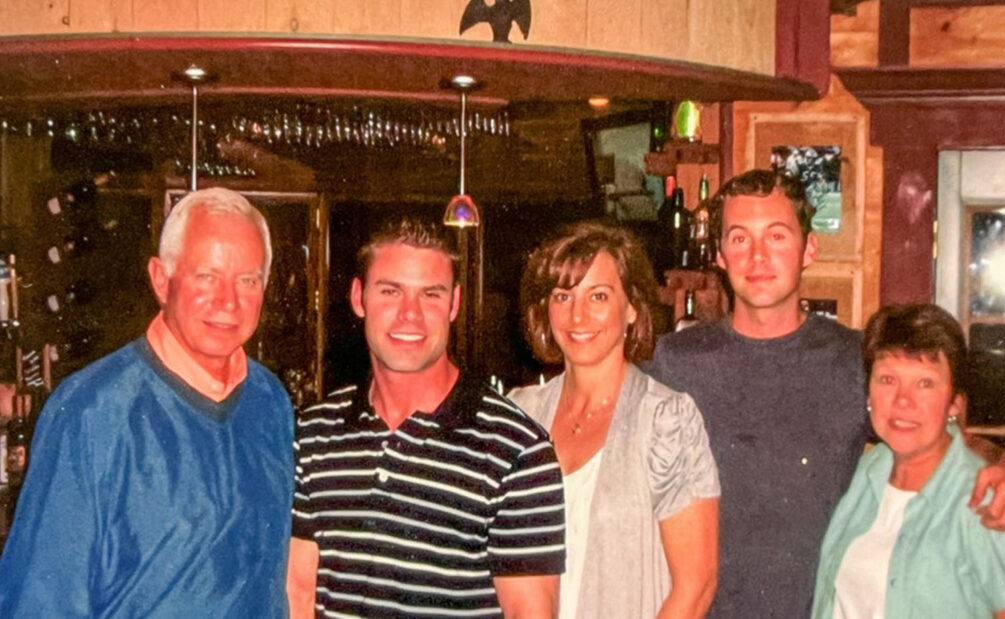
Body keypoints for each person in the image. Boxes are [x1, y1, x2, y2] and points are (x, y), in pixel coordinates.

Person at [646, 169, 1005, 617]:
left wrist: (1003, 468)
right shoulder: (677, 360)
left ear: (809, 248)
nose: (758, 256)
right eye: (740, 238)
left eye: (777, 236)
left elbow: (933, 441)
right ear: (721, 256)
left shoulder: (855, 359)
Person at [0, 188, 295, 616]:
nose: (228, 301)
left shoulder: (271, 403)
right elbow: (39, 601)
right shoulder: (90, 412)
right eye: (206, 276)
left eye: (247, 280)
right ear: (161, 280)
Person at [288, 219, 565, 618]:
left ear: (453, 304)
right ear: (358, 297)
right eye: (390, 291)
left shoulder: (516, 452)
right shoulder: (313, 435)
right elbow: (298, 595)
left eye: (430, 295)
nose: (410, 316)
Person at [509, 221, 720, 619]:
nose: (578, 315)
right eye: (562, 296)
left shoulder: (665, 420)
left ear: (631, 308)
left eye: (599, 295)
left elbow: (696, 585)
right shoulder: (521, 414)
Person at [812, 304, 1005, 618]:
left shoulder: (986, 500)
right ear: (868, 394)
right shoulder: (869, 471)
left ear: (954, 402)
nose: (903, 401)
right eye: (887, 380)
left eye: (925, 383)